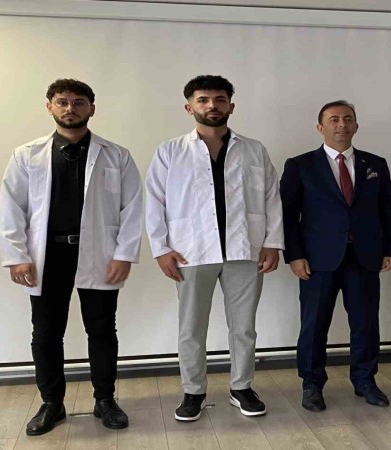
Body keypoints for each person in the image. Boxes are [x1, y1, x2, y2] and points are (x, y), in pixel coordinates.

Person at [0, 79, 142, 435]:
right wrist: (16, 255)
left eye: (79, 102)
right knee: (46, 333)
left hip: (100, 253)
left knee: (102, 330)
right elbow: (11, 207)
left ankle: (105, 400)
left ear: (92, 108)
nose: (70, 109)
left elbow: (133, 209)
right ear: (49, 106)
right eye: (62, 102)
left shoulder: (117, 155)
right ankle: (52, 403)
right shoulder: (26, 155)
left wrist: (124, 254)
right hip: (46, 256)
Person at [146, 75, 283, 419]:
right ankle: (193, 391)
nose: (212, 106)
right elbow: (154, 202)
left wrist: (272, 243)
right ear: (189, 107)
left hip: (245, 249)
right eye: (203, 100)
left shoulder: (254, 149)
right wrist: (160, 249)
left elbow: (272, 197)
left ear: (231, 106)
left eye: (220, 99)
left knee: (244, 327)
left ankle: (242, 387)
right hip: (190, 251)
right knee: (191, 328)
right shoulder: (170, 151)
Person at [280, 100, 391, 412]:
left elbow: (388, 209)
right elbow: (288, 215)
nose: (341, 125)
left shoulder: (375, 164)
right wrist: (294, 255)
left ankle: (365, 380)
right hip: (317, 259)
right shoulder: (300, 165)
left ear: (356, 125)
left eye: (348, 119)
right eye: (333, 119)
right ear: (320, 127)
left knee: (365, 322)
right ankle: (311, 384)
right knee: (314, 324)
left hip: (364, 256)